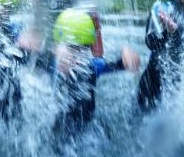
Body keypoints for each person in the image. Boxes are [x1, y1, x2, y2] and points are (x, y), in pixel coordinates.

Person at [49, 8, 140, 137]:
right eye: (71, 49)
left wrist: (127, 55)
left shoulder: (91, 66)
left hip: (85, 129)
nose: (73, 58)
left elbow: (121, 64)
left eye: (81, 49)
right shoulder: (53, 65)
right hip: (66, 130)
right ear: (57, 48)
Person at [34, 0, 104, 71]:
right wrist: (53, 49)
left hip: (79, 49)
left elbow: (95, 28)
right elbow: (40, 28)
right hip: (56, 50)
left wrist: (98, 56)